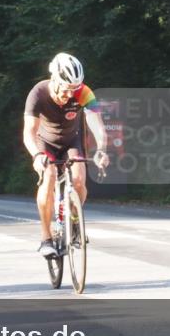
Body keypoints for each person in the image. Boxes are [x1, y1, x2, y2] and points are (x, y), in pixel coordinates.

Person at [23, 53, 109, 257]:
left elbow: (96, 124)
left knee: (79, 179)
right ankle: (46, 237)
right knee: (50, 177)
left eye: (74, 89)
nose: (70, 94)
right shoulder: (38, 93)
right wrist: (36, 155)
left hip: (72, 140)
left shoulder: (83, 92)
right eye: (66, 88)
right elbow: (29, 132)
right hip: (45, 143)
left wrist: (101, 149)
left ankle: (74, 219)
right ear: (54, 79)